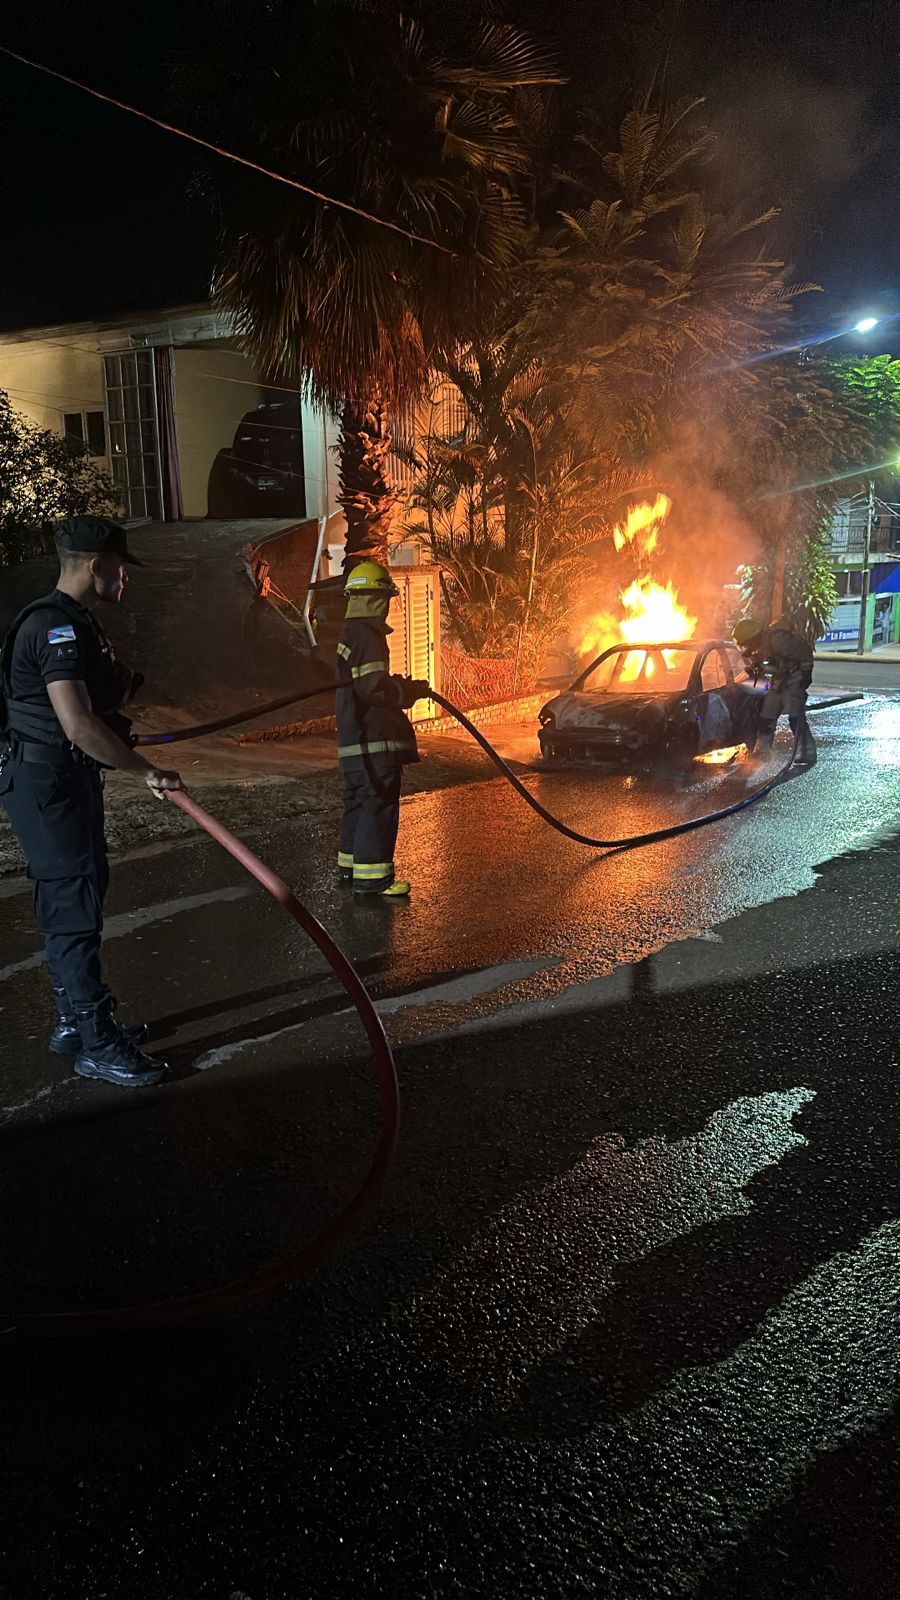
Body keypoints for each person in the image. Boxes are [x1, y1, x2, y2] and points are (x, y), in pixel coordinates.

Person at [0, 517, 182, 1087]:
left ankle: (77, 1023)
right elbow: (78, 726)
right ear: (98, 565)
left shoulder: (74, 623)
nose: (125, 578)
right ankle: (97, 1044)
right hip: (46, 784)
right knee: (73, 905)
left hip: (62, 781)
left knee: (81, 893)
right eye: (121, 567)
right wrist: (148, 771)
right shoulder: (54, 627)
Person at [335, 560, 429, 897]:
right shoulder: (367, 636)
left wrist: (399, 685)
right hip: (372, 743)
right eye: (387, 599)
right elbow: (373, 688)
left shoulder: (350, 634)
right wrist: (406, 693)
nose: (389, 607)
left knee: (359, 803)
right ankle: (374, 879)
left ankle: (350, 869)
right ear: (377, 599)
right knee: (378, 805)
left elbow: (365, 683)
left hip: (354, 744)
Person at [732, 614, 816, 764]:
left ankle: (807, 751)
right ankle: (762, 752)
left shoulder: (778, 640)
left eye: (746, 643)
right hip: (780, 680)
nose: (746, 647)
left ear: (753, 638)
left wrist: (803, 677)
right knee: (767, 714)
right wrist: (737, 679)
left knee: (795, 716)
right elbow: (761, 662)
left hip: (795, 678)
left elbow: (805, 654)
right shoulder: (763, 644)